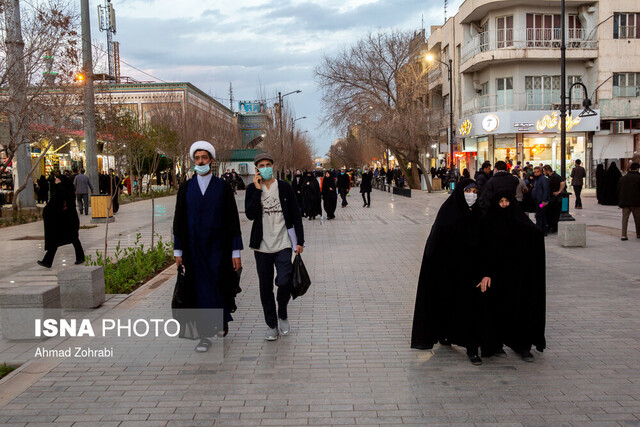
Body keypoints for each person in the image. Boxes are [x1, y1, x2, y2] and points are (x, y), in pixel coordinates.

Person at [412, 179, 493, 364]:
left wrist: (486, 271)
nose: (472, 194)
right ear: (459, 193)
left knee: (473, 310)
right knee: (450, 306)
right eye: (468, 191)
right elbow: (436, 244)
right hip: (450, 273)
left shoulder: (480, 215)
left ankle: (473, 348)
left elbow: (487, 245)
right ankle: (445, 334)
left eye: (475, 190)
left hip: (473, 273)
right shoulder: (448, 214)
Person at [173, 141, 243, 352]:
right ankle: (205, 335)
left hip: (219, 251)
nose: (200, 162)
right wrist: (178, 251)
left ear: (211, 161)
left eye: (204, 158)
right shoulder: (185, 188)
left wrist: (235, 251)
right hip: (194, 251)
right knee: (200, 291)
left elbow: (233, 221)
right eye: (197, 158)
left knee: (218, 287)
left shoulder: (222, 187)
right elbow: (179, 221)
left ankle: (220, 320)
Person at [479, 192, 546, 362]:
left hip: (517, 274)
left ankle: (522, 346)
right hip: (496, 275)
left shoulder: (519, 220)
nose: (503, 204)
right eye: (500, 201)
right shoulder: (489, 221)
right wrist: (485, 273)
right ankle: (495, 345)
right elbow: (485, 249)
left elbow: (533, 234)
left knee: (519, 309)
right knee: (496, 310)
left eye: (506, 201)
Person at [245, 152, 304, 341]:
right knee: (265, 287)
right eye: (261, 165)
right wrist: (256, 189)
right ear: (256, 169)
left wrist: (300, 242)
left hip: (283, 244)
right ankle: (271, 324)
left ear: (273, 165)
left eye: (268, 164)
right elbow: (250, 215)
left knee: (284, 281)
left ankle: (283, 313)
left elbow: (296, 214)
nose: (265, 168)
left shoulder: (285, 187)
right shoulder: (251, 188)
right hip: (261, 247)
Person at [38, 175, 84, 268]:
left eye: (58, 180)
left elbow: (65, 197)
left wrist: (59, 186)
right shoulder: (60, 191)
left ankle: (80, 257)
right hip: (62, 221)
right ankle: (47, 261)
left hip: (69, 220)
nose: (56, 181)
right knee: (56, 240)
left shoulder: (66, 190)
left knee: (74, 239)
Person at [617, 162, 640, 241]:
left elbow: (619, 189)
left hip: (625, 202)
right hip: (636, 202)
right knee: (638, 219)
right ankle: (638, 234)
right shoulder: (638, 177)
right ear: (637, 169)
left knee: (625, 219)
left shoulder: (623, 178)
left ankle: (623, 235)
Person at [542, 165, 566, 233]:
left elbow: (563, 181)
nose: (543, 173)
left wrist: (559, 191)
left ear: (547, 170)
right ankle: (552, 227)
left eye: (544, 171)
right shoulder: (550, 177)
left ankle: (553, 227)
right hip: (553, 199)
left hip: (554, 199)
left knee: (553, 214)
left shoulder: (554, 177)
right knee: (552, 213)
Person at [531, 166, 550, 235]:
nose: (536, 173)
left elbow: (546, 190)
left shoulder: (543, 179)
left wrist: (544, 201)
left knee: (539, 214)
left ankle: (540, 229)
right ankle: (543, 229)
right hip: (537, 200)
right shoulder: (536, 179)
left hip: (541, 201)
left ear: (541, 172)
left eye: (537, 172)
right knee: (541, 214)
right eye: (535, 172)